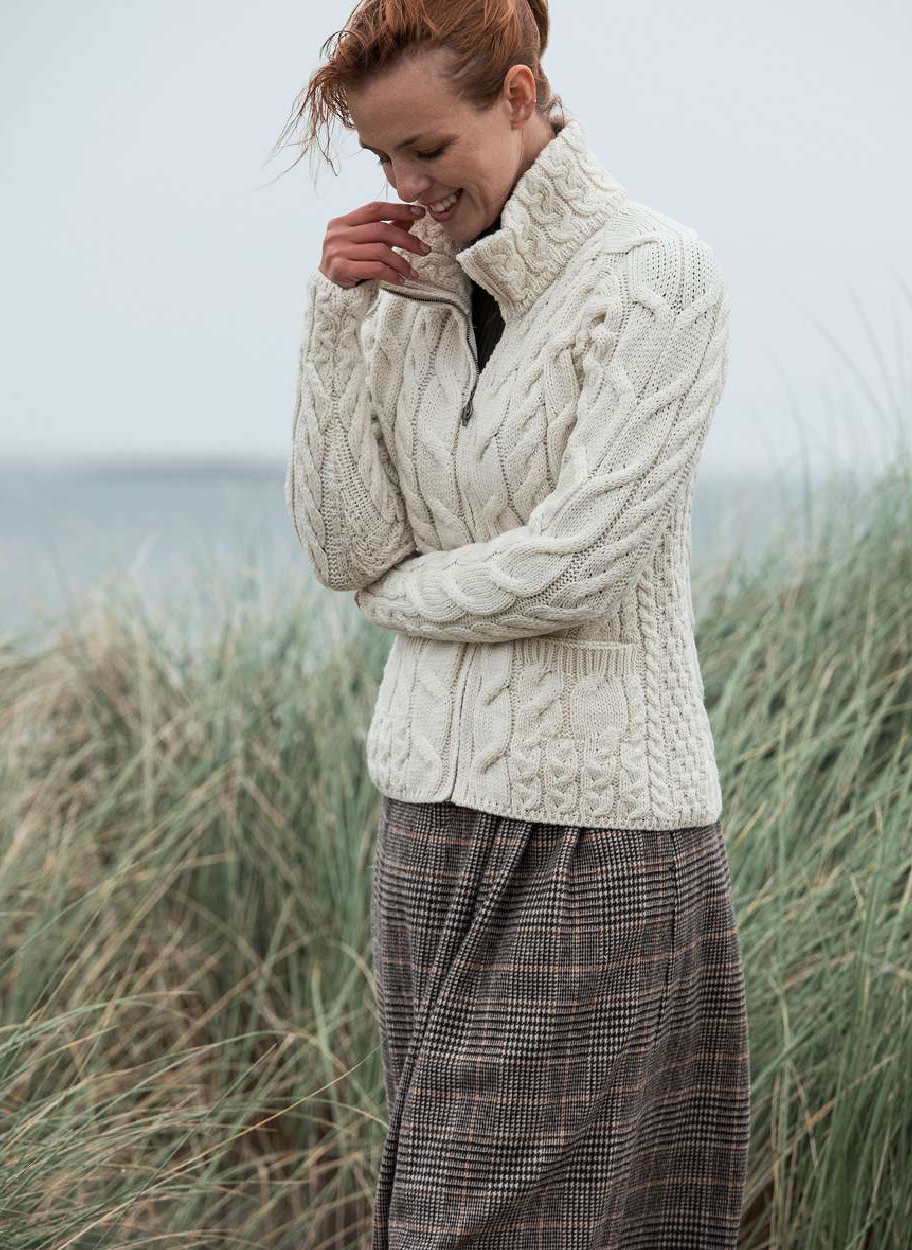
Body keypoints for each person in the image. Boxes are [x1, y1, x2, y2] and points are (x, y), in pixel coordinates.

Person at [281, 1, 750, 1245]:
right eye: (381, 159)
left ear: (521, 93)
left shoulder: (658, 277)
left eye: (426, 149)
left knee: (486, 1222)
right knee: (434, 1202)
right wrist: (335, 317)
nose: (406, 185)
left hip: (595, 830)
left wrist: (402, 602)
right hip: (423, 824)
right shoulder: (404, 294)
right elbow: (342, 544)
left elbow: (581, 564)